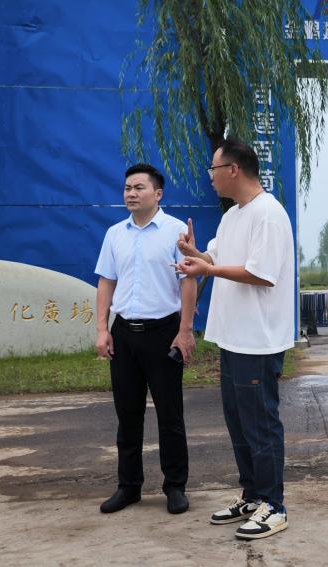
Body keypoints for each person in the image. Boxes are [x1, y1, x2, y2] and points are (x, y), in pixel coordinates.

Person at [176, 138, 295, 540]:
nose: (209, 176)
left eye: (213, 169)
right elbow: (216, 259)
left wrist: (209, 270)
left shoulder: (269, 214)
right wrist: (196, 255)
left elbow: (262, 274)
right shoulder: (233, 217)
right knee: (238, 423)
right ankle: (253, 495)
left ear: (233, 169)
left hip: (258, 340)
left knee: (261, 425)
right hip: (232, 337)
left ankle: (274, 506)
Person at [94, 163, 197, 516]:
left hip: (163, 333)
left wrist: (185, 331)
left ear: (158, 193)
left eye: (139, 187)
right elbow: (106, 281)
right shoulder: (115, 234)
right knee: (127, 415)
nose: (131, 194)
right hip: (124, 334)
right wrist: (102, 329)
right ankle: (129, 486)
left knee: (170, 414)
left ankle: (175, 486)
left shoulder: (176, 232)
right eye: (127, 188)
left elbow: (188, 281)